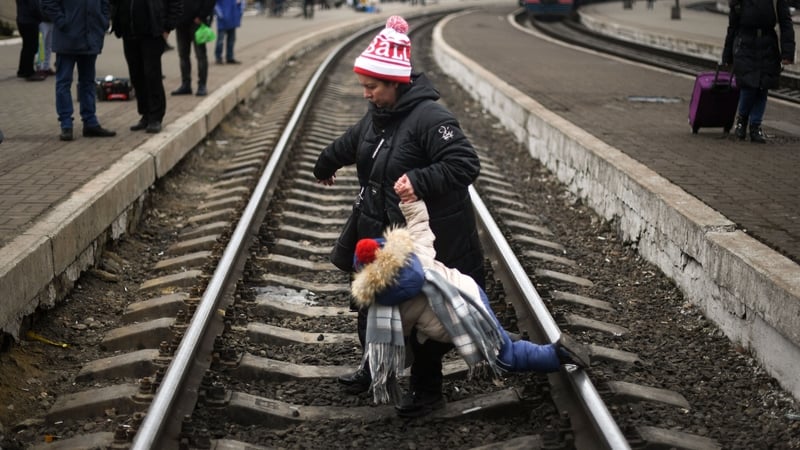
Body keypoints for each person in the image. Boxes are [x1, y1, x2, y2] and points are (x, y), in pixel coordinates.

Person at [313, 16, 485, 412]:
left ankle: (427, 392)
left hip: (426, 239)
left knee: (424, 322)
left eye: (372, 87)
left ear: (396, 83)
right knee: (369, 305)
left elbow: (465, 164)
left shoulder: (431, 118)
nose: (366, 95)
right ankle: (375, 369)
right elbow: (350, 144)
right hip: (380, 232)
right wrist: (325, 165)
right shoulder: (380, 117)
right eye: (364, 87)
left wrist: (420, 180)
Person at [350, 195, 591, 417]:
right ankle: (500, 335)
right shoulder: (411, 253)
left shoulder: (394, 303)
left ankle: (557, 354)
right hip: (467, 291)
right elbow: (420, 226)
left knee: (505, 358)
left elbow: (396, 345)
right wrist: (410, 202)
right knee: (440, 337)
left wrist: (379, 369)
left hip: (462, 318)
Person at [40, 0, 117, 141]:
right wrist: (63, 21)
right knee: (64, 82)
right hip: (67, 38)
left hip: (90, 37)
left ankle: (90, 122)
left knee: (88, 82)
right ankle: (66, 124)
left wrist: (103, 20)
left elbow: (105, 2)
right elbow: (47, 3)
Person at [722, 0, 795, 143]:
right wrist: (727, 56)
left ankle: (755, 125)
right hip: (745, 45)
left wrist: (788, 53)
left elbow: (786, 22)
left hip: (768, 45)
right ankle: (742, 120)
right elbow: (732, 27)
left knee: (763, 86)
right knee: (749, 85)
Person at [111, 0, 183, 134]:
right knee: (136, 75)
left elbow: (176, 4)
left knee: (152, 75)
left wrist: (167, 28)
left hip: (152, 34)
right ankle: (145, 114)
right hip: (129, 34)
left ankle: (156, 117)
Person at [171, 0, 216, 97]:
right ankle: (186, 85)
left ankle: (202, 85)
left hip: (196, 23)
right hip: (181, 23)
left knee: (200, 55)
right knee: (183, 55)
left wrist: (201, 16)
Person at [15, 0, 45, 81]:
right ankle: (29, 72)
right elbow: (34, 6)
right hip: (30, 21)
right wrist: (42, 16)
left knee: (26, 46)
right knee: (32, 47)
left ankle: (22, 70)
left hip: (22, 20)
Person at [214, 0, 244, 64]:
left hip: (232, 19)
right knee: (220, 41)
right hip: (223, 20)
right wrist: (220, 15)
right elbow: (215, 4)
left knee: (231, 40)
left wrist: (239, 13)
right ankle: (218, 57)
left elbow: (240, 3)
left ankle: (230, 57)